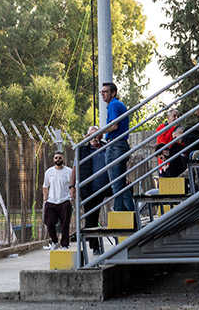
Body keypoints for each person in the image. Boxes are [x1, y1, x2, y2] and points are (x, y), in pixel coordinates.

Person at [72, 126, 109, 256]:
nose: (94, 138)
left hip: (107, 186)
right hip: (90, 189)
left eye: (96, 134)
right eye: (91, 135)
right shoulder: (82, 150)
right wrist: (72, 187)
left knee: (123, 198)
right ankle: (95, 247)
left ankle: (125, 239)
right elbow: (75, 169)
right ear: (87, 137)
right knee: (91, 219)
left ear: (101, 135)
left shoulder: (108, 147)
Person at [100, 82, 134, 212]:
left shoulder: (113, 105)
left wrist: (98, 133)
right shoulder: (119, 104)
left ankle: (119, 212)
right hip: (121, 145)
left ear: (113, 93)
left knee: (116, 183)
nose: (102, 94)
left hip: (115, 145)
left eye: (105, 91)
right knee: (121, 183)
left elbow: (114, 125)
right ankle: (131, 213)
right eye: (101, 92)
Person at [42, 151, 73, 250]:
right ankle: (55, 241)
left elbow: (73, 186)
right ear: (53, 159)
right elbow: (45, 186)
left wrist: (71, 198)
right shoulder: (49, 172)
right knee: (49, 222)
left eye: (60, 158)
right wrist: (46, 199)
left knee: (65, 224)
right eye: (56, 158)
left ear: (63, 159)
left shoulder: (69, 171)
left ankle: (65, 245)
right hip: (51, 201)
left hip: (65, 201)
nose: (58, 159)